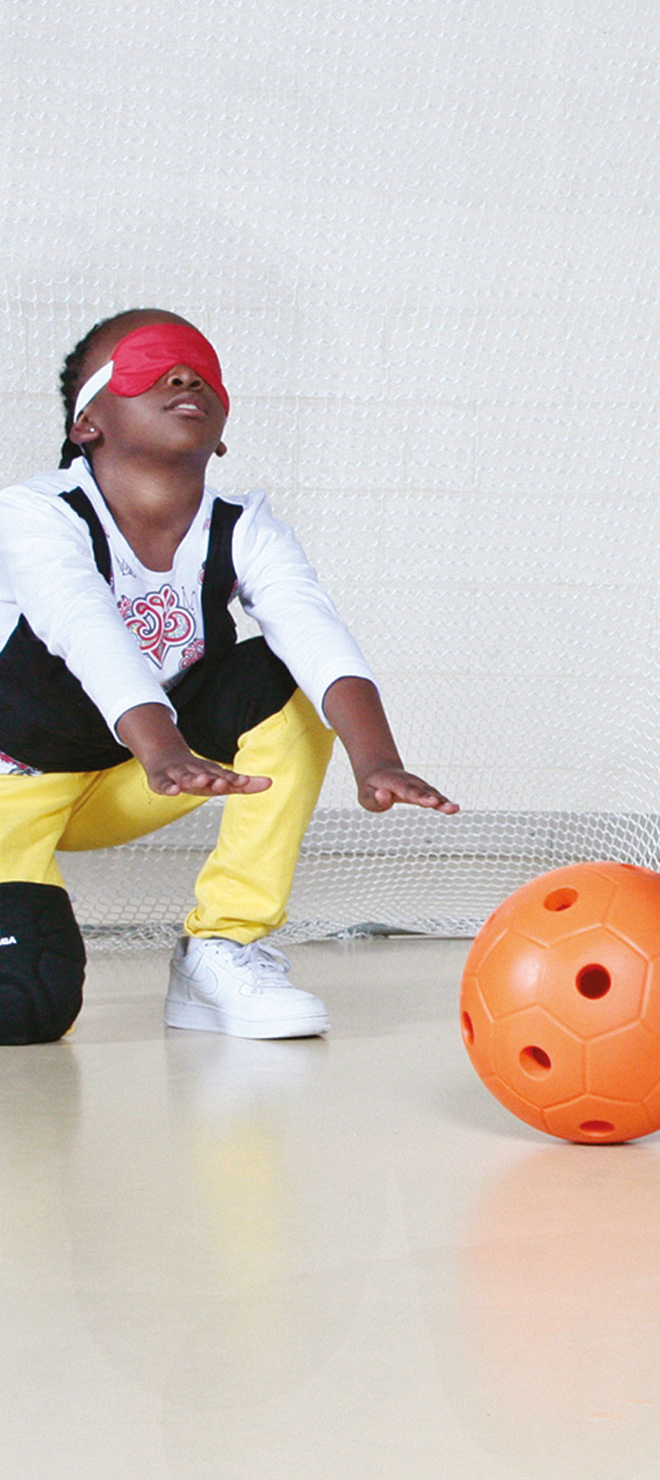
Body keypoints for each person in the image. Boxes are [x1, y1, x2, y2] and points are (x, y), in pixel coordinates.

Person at [0, 308, 458, 1043]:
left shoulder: (243, 528)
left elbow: (316, 636)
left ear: (221, 430)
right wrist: (160, 743)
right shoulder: (37, 514)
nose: (185, 375)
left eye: (201, 367)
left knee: (282, 680)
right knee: (26, 1010)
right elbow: (83, 626)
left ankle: (223, 946)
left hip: (139, 774)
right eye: (151, 364)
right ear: (88, 423)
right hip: (16, 793)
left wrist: (378, 761)